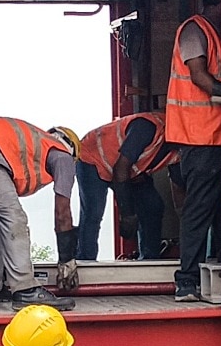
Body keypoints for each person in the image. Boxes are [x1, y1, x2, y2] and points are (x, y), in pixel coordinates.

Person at [0, 116, 81, 311]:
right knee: (14, 217)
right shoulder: (63, 156)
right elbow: (62, 213)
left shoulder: (34, 143)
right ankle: (26, 289)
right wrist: (67, 260)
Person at [167, 0, 221, 301]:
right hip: (199, 140)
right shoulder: (195, 30)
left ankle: (217, 273)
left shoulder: (213, 32)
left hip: (214, 139)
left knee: (220, 209)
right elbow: (201, 78)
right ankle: (186, 279)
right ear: (216, 1)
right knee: (199, 211)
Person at [75, 111, 179, 260]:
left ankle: (150, 260)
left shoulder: (178, 148)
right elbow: (120, 170)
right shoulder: (147, 127)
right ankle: (85, 260)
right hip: (93, 158)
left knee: (153, 206)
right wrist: (128, 215)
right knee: (93, 212)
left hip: (128, 171)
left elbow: (180, 185)